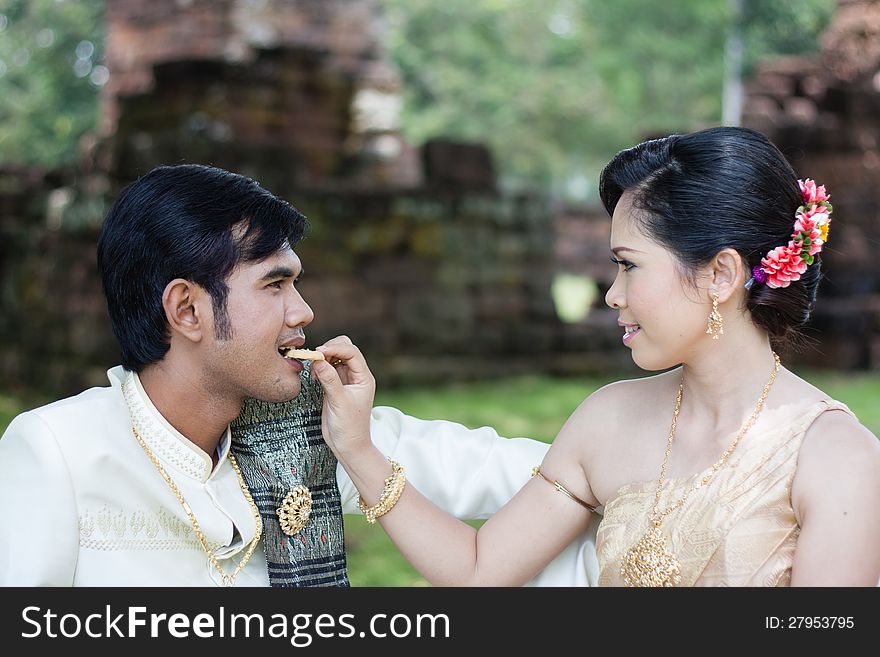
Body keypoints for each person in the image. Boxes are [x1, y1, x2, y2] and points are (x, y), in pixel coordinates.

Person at [312, 126, 880, 587]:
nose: (612, 293)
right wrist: (359, 449)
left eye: (629, 264)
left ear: (721, 274)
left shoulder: (836, 459)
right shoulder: (608, 419)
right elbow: (478, 571)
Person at [0, 163, 595, 586]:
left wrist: (637, 461)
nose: (303, 311)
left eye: (296, 282)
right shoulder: (60, 451)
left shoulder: (304, 429)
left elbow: (500, 471)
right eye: (275, 284)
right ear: (186, 310)